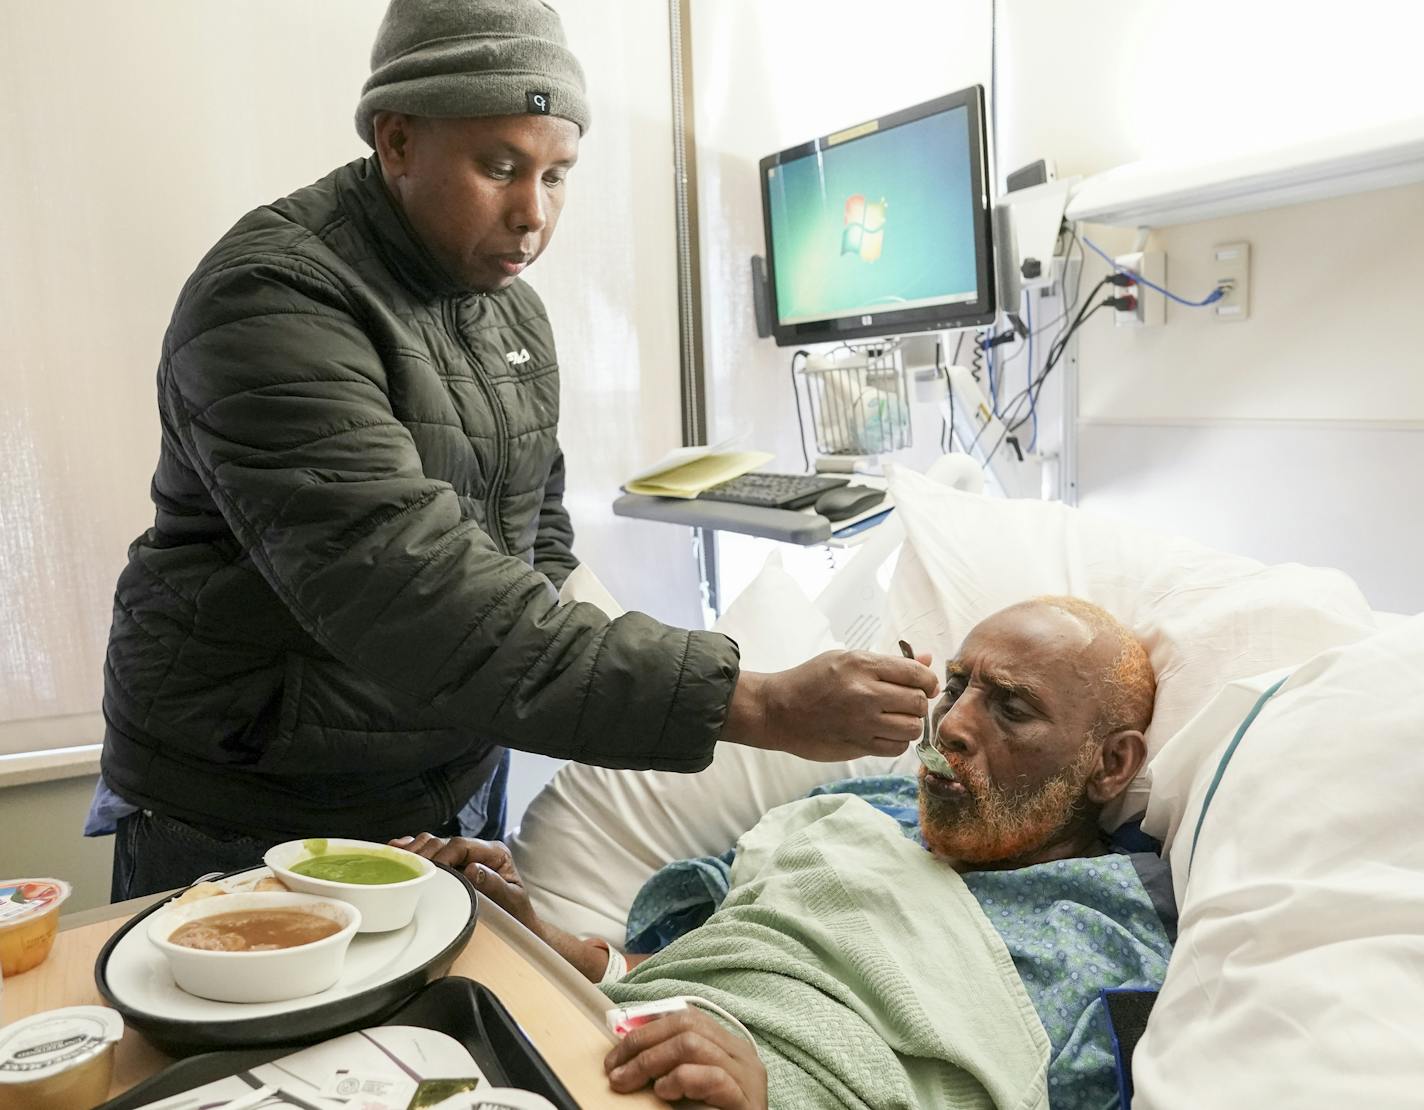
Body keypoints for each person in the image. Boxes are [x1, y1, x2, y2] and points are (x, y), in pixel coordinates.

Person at [93, 0, 938, 901]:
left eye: (558, 174)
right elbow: (411, 590)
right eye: (499, 167)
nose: (533, 214)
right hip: (255, 806)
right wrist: (758, 703)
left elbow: (533, 554)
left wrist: (640, 671)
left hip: (450, 788)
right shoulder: (273, 298)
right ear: (396, 140)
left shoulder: (509, 314)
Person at [398, 597, 1174, 1109]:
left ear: (1110, 764)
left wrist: (770, 1097)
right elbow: (676, 967)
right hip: (589, 1051)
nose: (954, 727)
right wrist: (532, 934)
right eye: (956, 688)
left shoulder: (1116, 941)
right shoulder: (846, 811)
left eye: (1011, 707)